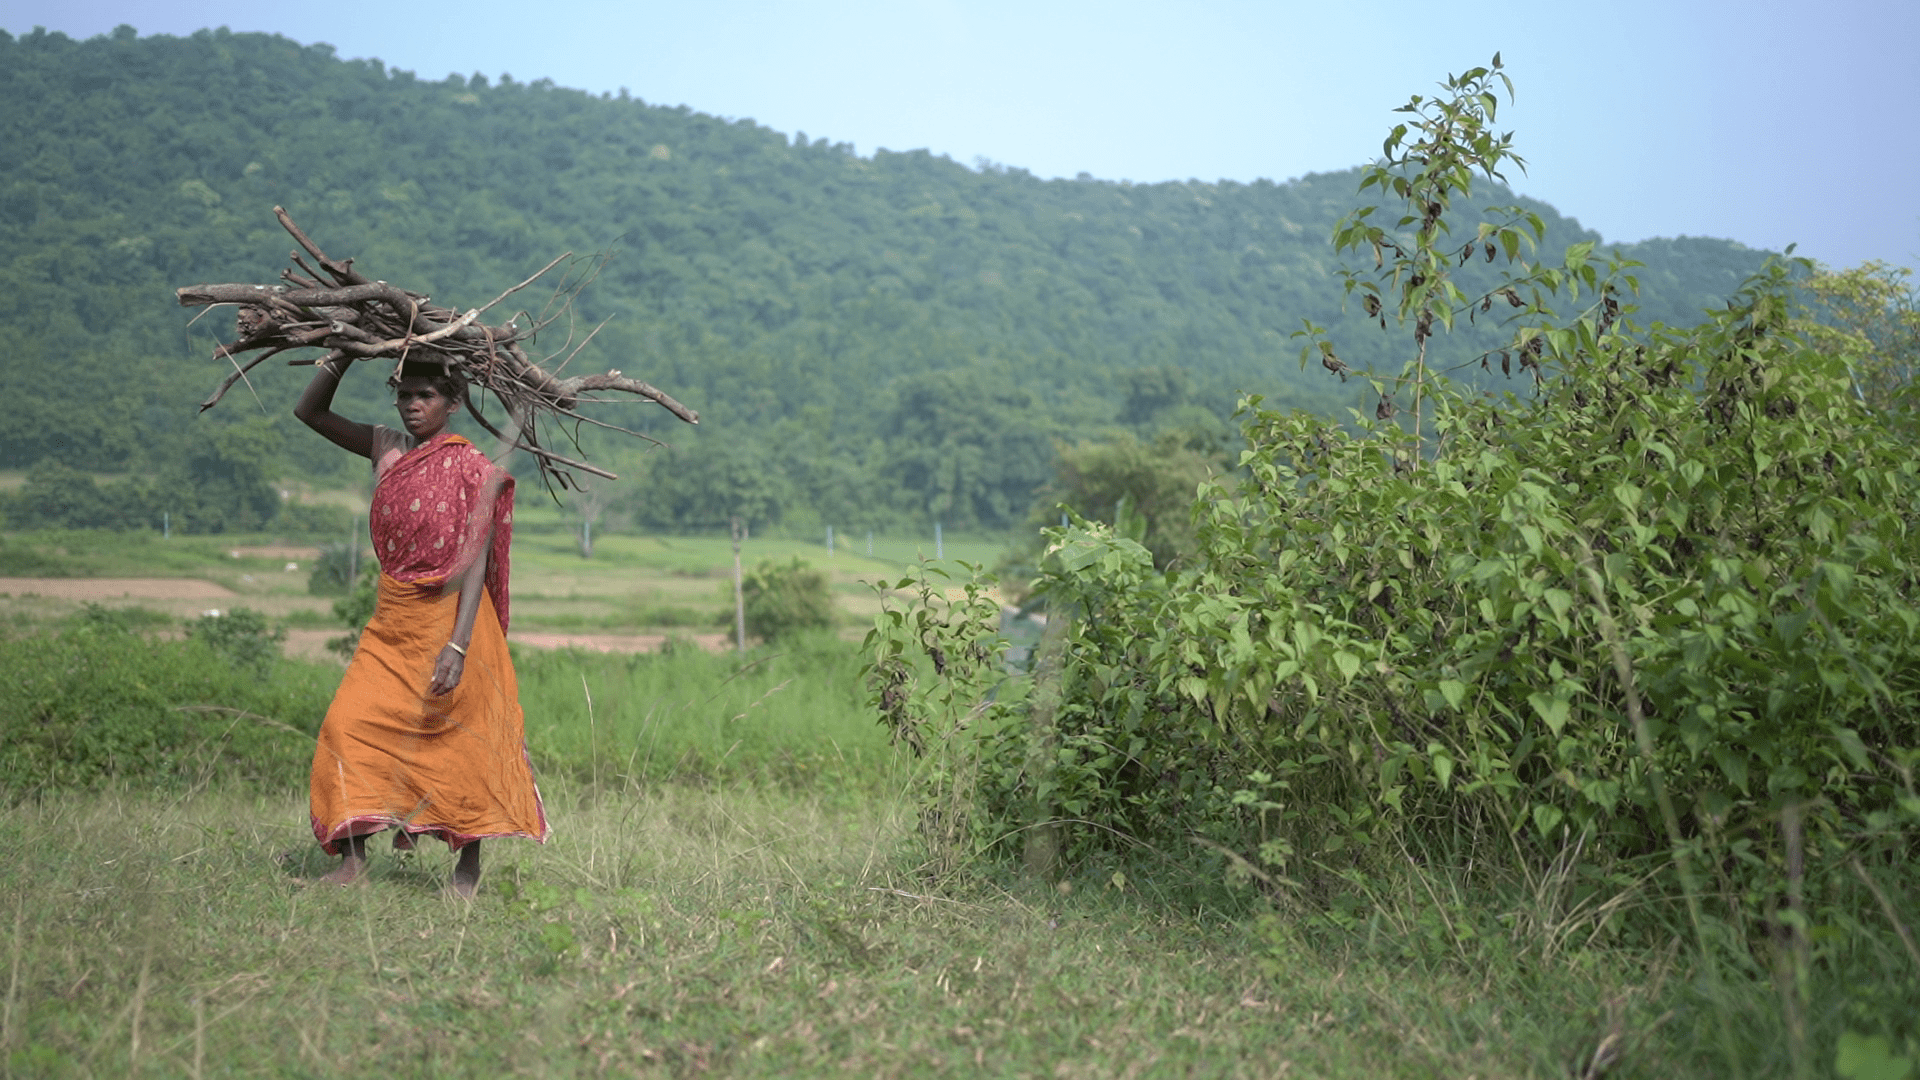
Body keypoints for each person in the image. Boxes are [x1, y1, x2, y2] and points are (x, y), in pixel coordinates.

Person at [294, 353, 548, 896]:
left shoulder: (469, 465)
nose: (412, 405)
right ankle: (353, 861)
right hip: (394, 619)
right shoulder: (385, 447)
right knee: (349, 725)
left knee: (460, 741)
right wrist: (341, 354)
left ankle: (468, 871)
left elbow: (476, 558)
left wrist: (457, 645)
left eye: (426, 395)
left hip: (454, 620)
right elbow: (309, 411)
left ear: (452, 404)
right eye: (404, 394)